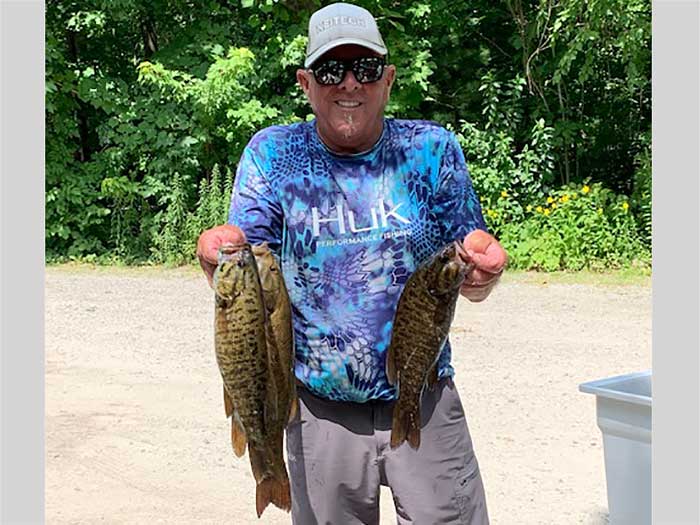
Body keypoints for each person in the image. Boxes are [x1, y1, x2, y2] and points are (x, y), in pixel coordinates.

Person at [197, 3, 507, 523]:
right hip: (318, 409)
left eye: (364, 69)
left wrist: (483, 271)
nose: (348, 84)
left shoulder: (431, 150)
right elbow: (248, 261)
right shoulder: (272, 155)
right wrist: (219, 253)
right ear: (305, 82)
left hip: (425, 397)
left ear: (386, 80)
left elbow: (468, 264)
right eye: (329, 70)